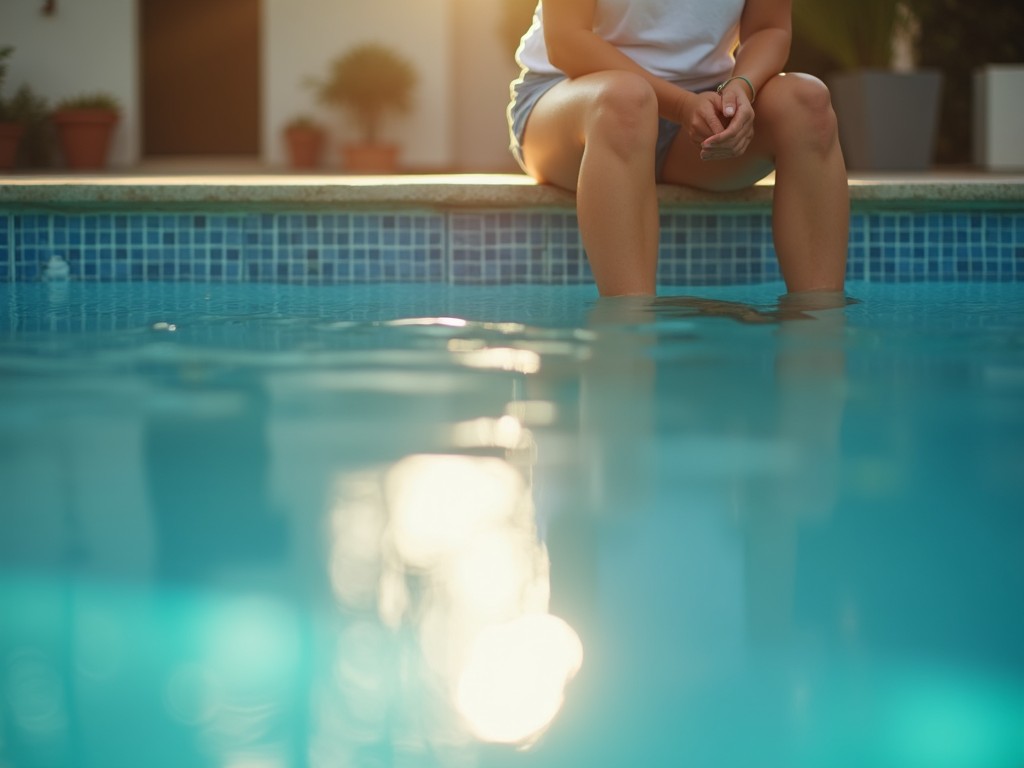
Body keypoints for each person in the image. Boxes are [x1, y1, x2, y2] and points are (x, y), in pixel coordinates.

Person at [507, 0, 849, 297]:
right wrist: (681, 106)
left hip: (702, 109)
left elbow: (769, 29)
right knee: (626, 100)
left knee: (807, 103)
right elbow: (567, 41)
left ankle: (819, 331)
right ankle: (629, 337)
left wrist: (741, 88)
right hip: (575, 101)